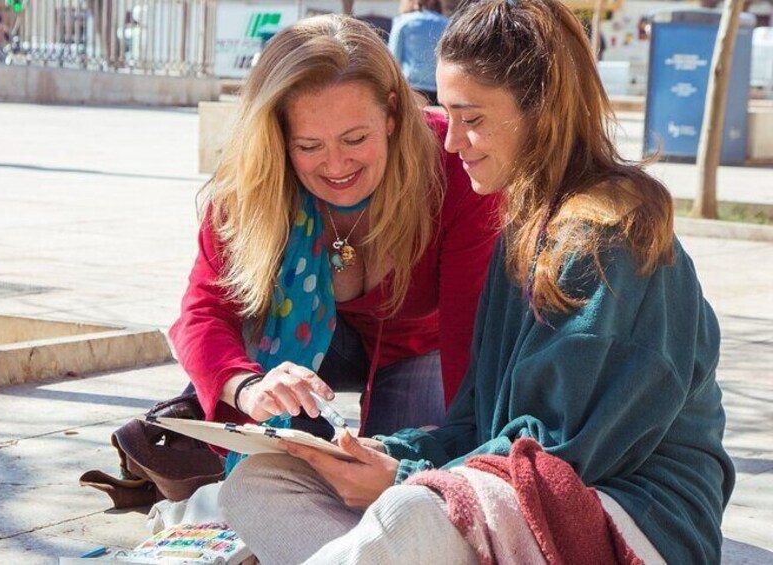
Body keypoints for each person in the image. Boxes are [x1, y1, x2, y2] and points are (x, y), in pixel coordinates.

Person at [219, 1, 736, 563]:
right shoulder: (523, 229)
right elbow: (474, 423)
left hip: (626, 518)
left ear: (541, 112)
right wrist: (379, 453)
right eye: (447, 114)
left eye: (472, 118)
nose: (451, 142)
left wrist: (404, 478)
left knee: (411, 513)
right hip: (507, 499)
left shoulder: (611, 238)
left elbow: (563, 455)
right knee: (264, 481)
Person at [169, 15, 502, 471]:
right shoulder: (252, 179)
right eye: (308, 146)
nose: (336, 165)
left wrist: (454, 454)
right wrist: (245, 386)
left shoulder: (454, 166)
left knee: (404, 480)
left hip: (419, 347)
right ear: (279, 138)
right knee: (273, 471)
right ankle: (224, 430)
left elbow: (471, 333)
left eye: (355, 138)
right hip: (296, 352)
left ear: (390, 113)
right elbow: (204, 311)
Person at [388, 0, 449, 105]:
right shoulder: (446, 23)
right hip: (439, 88)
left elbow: (393, 58)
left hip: (412, 88)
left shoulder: (403, 22)